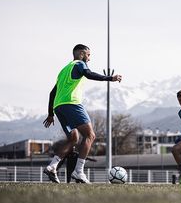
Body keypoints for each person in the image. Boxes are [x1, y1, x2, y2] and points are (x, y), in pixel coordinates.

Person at [43, 44, 122, 184]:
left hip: (59, 107)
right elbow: (89, 74)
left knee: (73, 138)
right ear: (81, 53)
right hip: (72, 104)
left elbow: (52, 93)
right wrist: (110, 78)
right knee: (90, 135)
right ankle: (78, 171)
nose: (89, 58)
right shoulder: (79, 64)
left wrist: (50, 114)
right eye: (88, 55)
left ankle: (52, 166)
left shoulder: (63, 70)